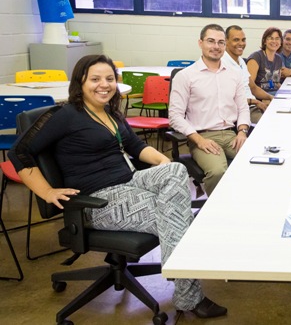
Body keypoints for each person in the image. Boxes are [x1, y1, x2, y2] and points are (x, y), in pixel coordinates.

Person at [8, 54, 227, 319]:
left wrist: (163, 162)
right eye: (95, 79)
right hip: (97, 200)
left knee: (176, 170)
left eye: (109, 79)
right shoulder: (66, 115)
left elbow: (136, 147)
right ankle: (188, 295)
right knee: (175, 217)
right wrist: (46, 191)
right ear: (81, 82)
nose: (104, 85)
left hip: (130, 181)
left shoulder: (110, 113)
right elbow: (19, 152)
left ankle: (180, 275)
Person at [169, 24, 251, 196]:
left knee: (255, 162)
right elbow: (175, 117)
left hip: (232, 134)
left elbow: (243, 108)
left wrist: (242, 131)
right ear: (200, 43)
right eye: (211, 41)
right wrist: (198, 140)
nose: (216, 46)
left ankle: (242, 203)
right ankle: (217, 214)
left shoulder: (234, 74)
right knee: (218, 171)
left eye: (220, 42)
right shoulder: (186, 76)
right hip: (203, 136)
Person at [222, 24, 272, 123]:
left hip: (252, 106)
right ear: (226, 41)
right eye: (236, 40)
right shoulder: (222, 63)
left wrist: (271, 98)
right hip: (241, 110)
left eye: (243, 40)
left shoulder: (240, 61)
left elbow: (253, 88)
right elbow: (228, 98)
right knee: (270, 124)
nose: (241, 43)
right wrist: (255, 101)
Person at [247, 27, 284, 95]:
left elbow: (276, 83)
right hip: (261, 97)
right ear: (264, 41)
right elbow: (249, 87)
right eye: (270, 38)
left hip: (274, 96)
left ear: (281, 42)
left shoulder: (279, 59)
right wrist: (266, 98)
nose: (274, 41)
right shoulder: (256, 57)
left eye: (277, 38)